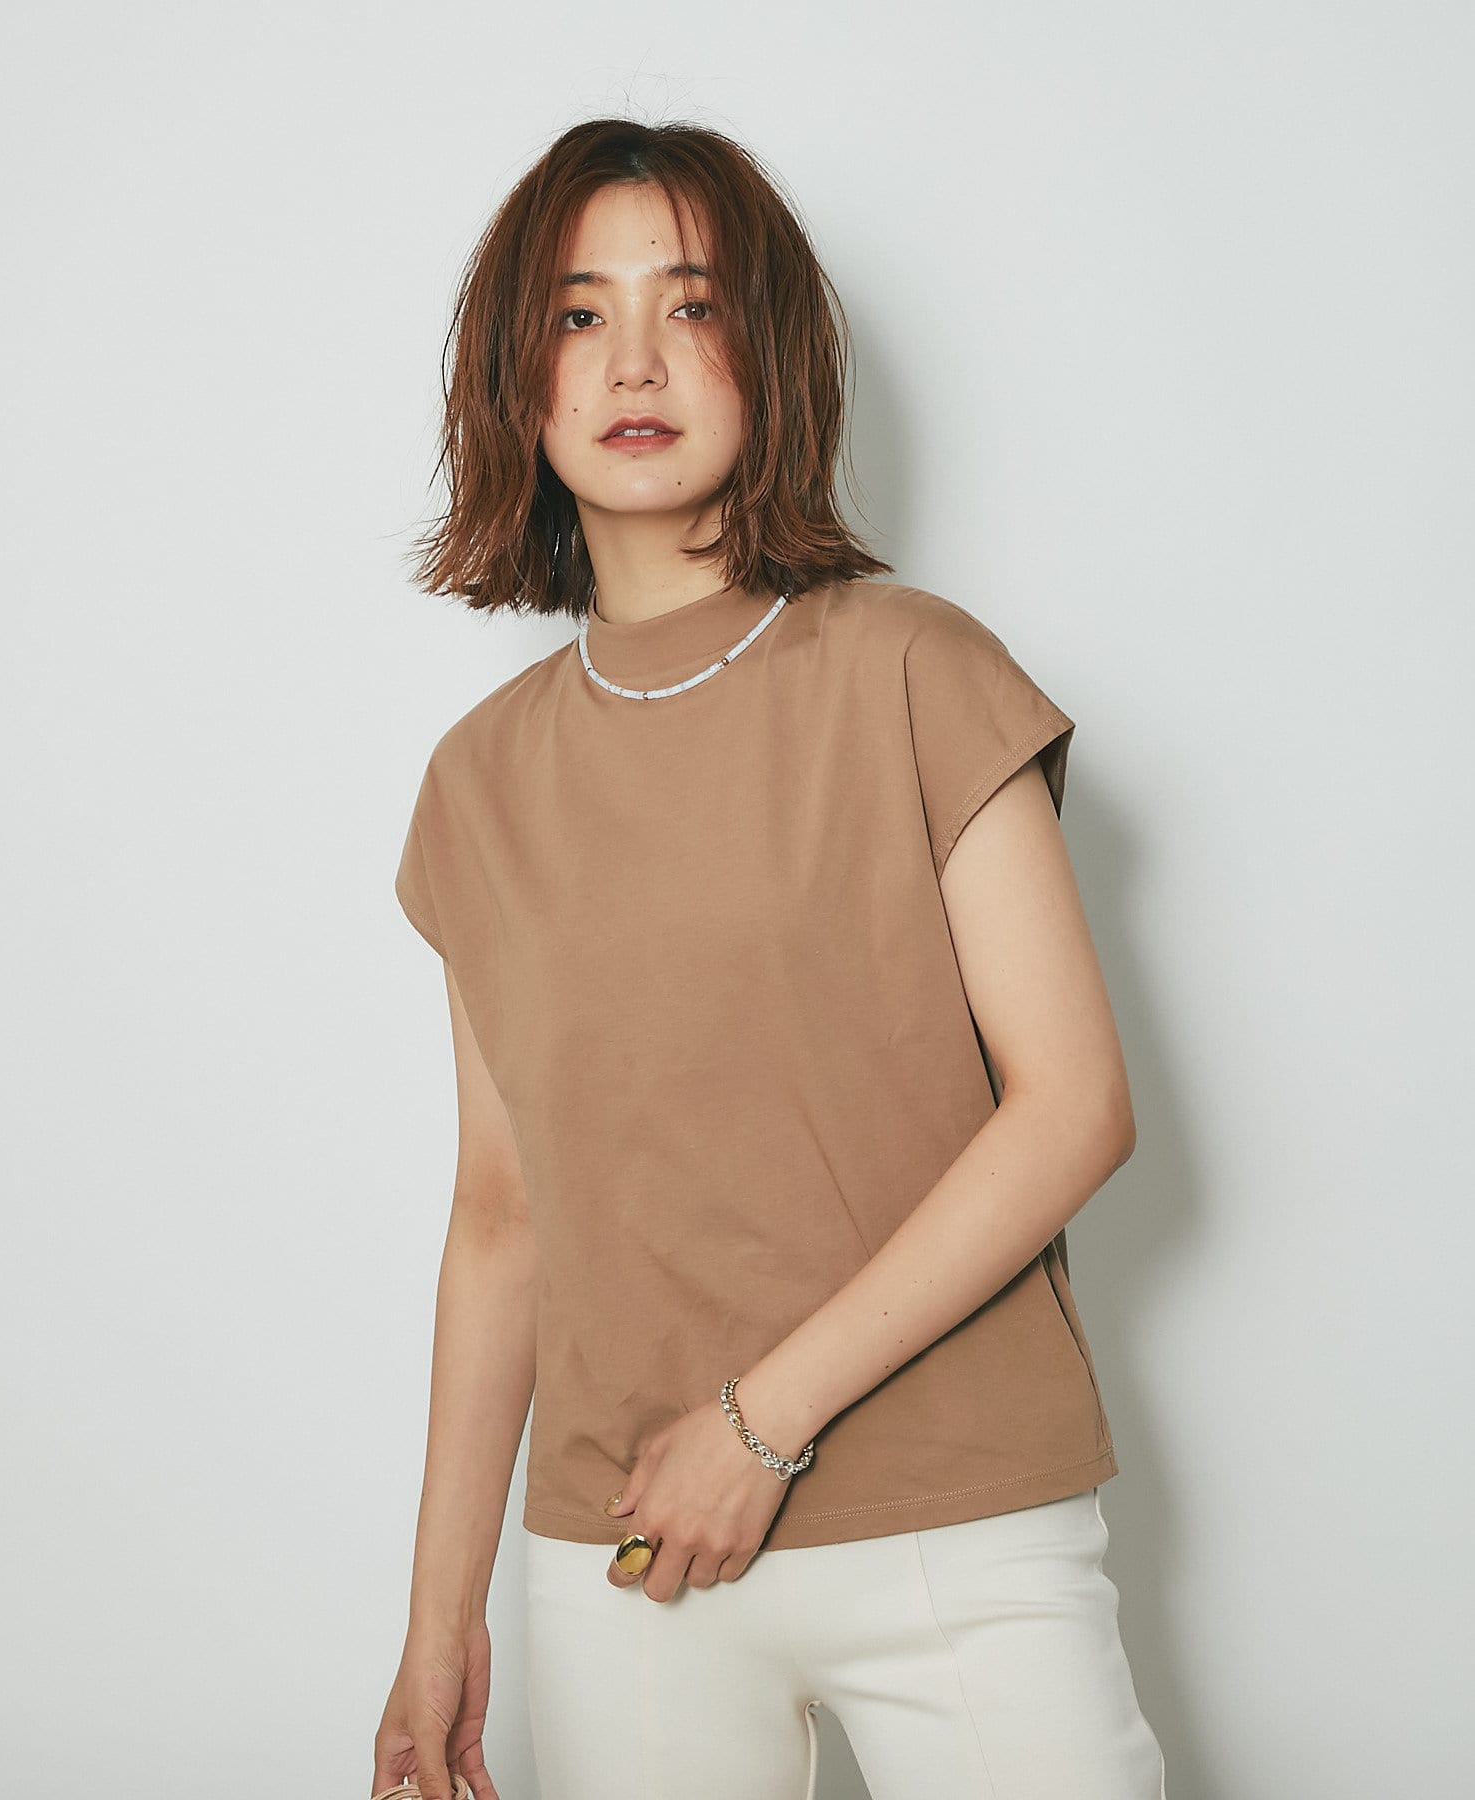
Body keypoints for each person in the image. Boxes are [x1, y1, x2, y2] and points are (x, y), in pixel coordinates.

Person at [370, 115, 1168, 1800]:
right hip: (630, 1562)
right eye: (579, 314)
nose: (634, 360)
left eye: (693, 305)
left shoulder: (913, 668)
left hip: (958, 1530)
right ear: (518, 380)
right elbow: (502, 1216)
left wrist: (758, 1424)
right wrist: (439, 1625)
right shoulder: (480, 783)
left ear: (773, 355)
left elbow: (1073, 1107)